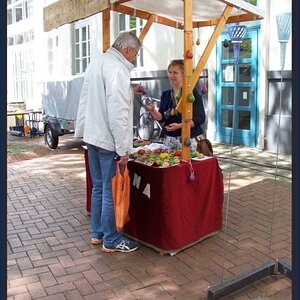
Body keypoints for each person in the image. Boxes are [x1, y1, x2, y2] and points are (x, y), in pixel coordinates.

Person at [75, 31, 145, 253]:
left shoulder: (98, 62)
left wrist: (130, 92)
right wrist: (123, 148)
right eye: (136, 54)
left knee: (98, 188)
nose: (135, 58)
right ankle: (112, 240)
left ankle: (97, 234)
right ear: (128, 49)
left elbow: (92, 99)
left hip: (93, 136)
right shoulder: (117, 69)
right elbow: (117, 113)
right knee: (110, 191)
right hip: (107, 140)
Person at [146, 59, 206, 150]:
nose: (171, 75)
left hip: (189, 139)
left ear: (183, 74)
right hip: (169, 140)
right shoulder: (166, 95)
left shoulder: (191, 94)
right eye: (170, 72)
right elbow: (162, 118)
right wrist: (153, 111)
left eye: (175, 73)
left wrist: (180, 125)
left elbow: (200, 118)